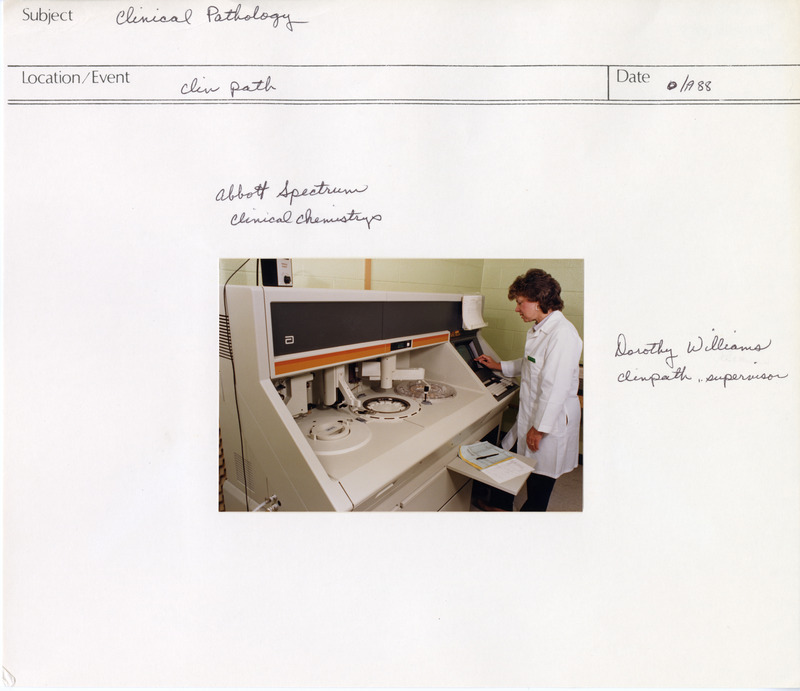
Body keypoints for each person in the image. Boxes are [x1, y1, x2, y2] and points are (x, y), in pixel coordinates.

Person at [476, 268, 583, 511]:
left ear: (538, 301)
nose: (517, 309)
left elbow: (555, 388)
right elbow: (531, 363)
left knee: (540, 480)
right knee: (509, 455)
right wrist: (498, 365)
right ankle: (502, 506)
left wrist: (539, 428)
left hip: (548, 421)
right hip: (531, 414)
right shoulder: (539, 329)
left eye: (520, 302)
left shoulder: (562, 335)